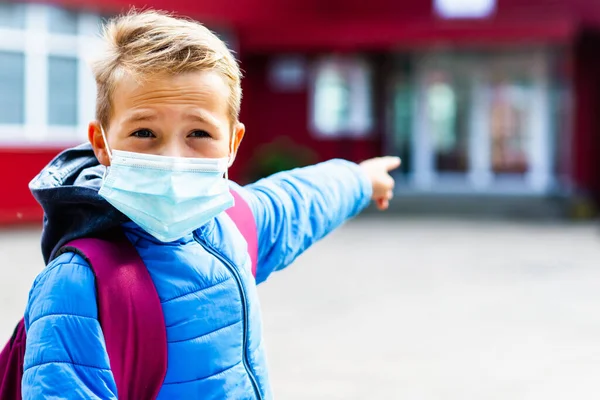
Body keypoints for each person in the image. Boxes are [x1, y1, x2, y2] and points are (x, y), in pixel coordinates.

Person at [23, 9, 400, 399]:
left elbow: (301, 199)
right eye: (144, 132)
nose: (174, 158)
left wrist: (360, 179)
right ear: (101, 143)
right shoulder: (77, 281)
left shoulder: (232, 222)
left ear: (233, 143)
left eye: (199, 133)